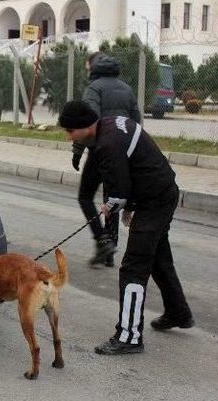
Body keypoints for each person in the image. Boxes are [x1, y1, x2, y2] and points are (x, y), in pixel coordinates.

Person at [59, 100, 194, 355]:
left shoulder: (107, 144)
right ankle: (179, 312)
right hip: (160, 192)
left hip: (155, 201)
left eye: (70, 131)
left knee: (133, 267)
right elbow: (127, 174)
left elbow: (118, 192)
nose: (69, 137)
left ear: (85, 126)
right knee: (157, 259)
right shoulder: (107, 128)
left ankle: (129, 337)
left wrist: (113, 206)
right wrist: (126, 205)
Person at [73, 53, 142, 268]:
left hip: (100, 149)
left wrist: (77, 149)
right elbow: (137, 120)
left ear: (93, 69)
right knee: (112, 199)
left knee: (85, 196)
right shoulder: (127, 89)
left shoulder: (93, 89)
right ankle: (110, 250)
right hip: (122, 151)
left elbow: (87, 121)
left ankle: (102, 241)